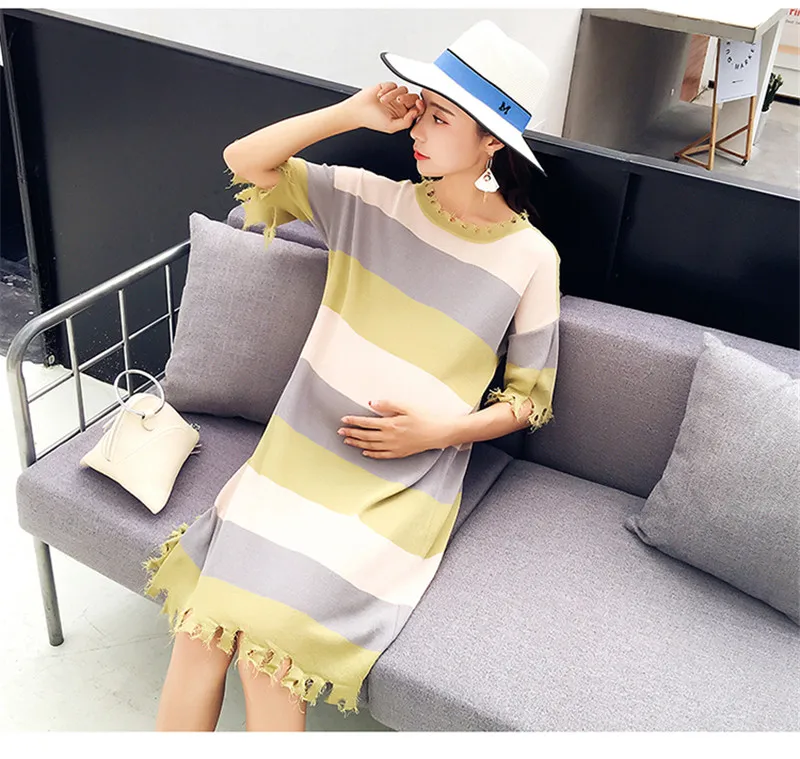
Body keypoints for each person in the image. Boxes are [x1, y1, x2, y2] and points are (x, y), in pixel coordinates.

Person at [143, 18, 561, 732]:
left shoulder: (531, 259)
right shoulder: (370, 200)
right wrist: (351, 112)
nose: (417, 130)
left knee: (267, 658)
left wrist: (439, 432)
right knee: (199, 631)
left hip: (397, 485)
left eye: (440, 118)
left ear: (492, 141)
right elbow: (245, 160)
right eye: (421, 111)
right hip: (296, 458)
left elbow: (529, 399)